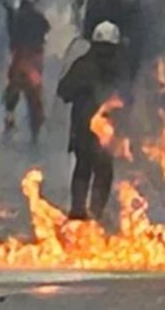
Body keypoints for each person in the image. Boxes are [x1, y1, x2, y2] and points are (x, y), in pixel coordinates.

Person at [57, 21, 125, 221]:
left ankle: (78, 212)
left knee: (83, 167)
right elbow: (128, 97)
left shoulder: (83, 64)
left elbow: (63, 92)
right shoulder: (119, 67)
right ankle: (95, 213)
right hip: (105, 129)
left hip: (83, 127)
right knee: (102, 170)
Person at [2, 0, 51, 143]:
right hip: (35, 59)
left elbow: (12, 34)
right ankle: (35, 132)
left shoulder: (17, 17)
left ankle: (9, 123)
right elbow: (46, 28)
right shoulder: (38, 17)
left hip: (21, 58)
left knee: (13, 93)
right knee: (34, 97)